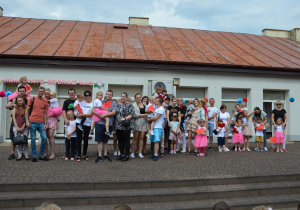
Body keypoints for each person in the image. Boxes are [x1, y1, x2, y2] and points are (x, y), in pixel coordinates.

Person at [25, 86, 49, 162]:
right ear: (37, 91)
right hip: (32, 121)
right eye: (39, 91)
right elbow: (27, 110)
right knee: (33, 139)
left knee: (44, 138)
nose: (40, 93)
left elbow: (45, 113)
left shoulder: (45, 101)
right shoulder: (32, 99)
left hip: (41, 122)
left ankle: (41, 155)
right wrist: (27, 121)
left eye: (42, 91)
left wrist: (45, 123)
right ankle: (34, 156)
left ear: (44, 92)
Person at [93, 90, 117, 163]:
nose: (108, 96)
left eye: (110, 95)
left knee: (105, 141)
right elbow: (93, 110)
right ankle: (100, 156)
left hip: (108, 125)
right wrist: (98, 115)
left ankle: (105, 155)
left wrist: (105, 115)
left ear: (112, 96)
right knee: (100, 141)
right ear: (105, 95)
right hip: (99, 124)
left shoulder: (114, 103)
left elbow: (113, 112)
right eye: (107, 94)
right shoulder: (100, 101)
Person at [6, 85, 27, 160]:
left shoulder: (26, 99)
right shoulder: (14, 98)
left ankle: (21, 153)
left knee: (22, 138)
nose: (22, 92)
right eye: (20, 91)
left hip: (24, 121)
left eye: (23, 91)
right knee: (13, 138)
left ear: (25, 92)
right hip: (15, 121)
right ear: (18, 91)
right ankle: (12, 153)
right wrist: (13, 104)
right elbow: (7, 106)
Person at [115, 92, 135, 162]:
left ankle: (126, 155)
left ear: (126, 97)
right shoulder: (117, 105)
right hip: (118, 126)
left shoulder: (130, 105)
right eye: (121, 96)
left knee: (126, 140)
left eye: (124, 96)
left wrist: (125, 118)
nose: (122, 98)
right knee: (120, 141)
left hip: (126, 126)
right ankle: (121, 154)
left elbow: (132, 114)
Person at [75, 90, 93, 162]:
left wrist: (82, 115)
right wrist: (78, 115)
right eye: (85, 95)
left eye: (88, 95)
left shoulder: (92, 104)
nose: (87, 97)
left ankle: (84, 154)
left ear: (91, 96)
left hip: (87, 123)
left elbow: (91, 114)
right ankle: (79, 155)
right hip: (79, 122)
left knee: (85, 139)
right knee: (78, 139)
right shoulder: (81, 102)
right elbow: (76, 112)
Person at [45, 91, 62, 159]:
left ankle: (52, 153)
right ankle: (45, 152)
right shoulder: (45, 101)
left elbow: (57, 112)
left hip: (52, 119)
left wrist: (50, 114)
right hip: (45, 120)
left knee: (50, 135)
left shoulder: (53, 101)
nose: (48, 95)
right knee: (45, 137)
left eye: (50, 95)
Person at [132, 93, 148, 158]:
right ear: (135, 99)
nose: (138, 99)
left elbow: (148, 111)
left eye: (139, 97)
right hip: (137, 122)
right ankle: (132, 152)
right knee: (135, 138)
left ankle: (140, 152)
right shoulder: (133, 105)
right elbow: (136, 115)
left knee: (142, 138)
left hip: (144, 122)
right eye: (137, 98)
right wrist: (145, 114)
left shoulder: (144, 104)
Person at [62, 88, 77, 158]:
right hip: (68, 122)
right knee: (67, 138)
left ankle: (74, 154)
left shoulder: (77, 101)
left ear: (75, 94)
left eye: (73, 93)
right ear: (68, 94)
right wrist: (65, 119)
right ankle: (67, 154)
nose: (71, 94)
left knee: (75, 139)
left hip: (76, 122)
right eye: (70, 93)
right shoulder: (66, 102)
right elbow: (64, 111)